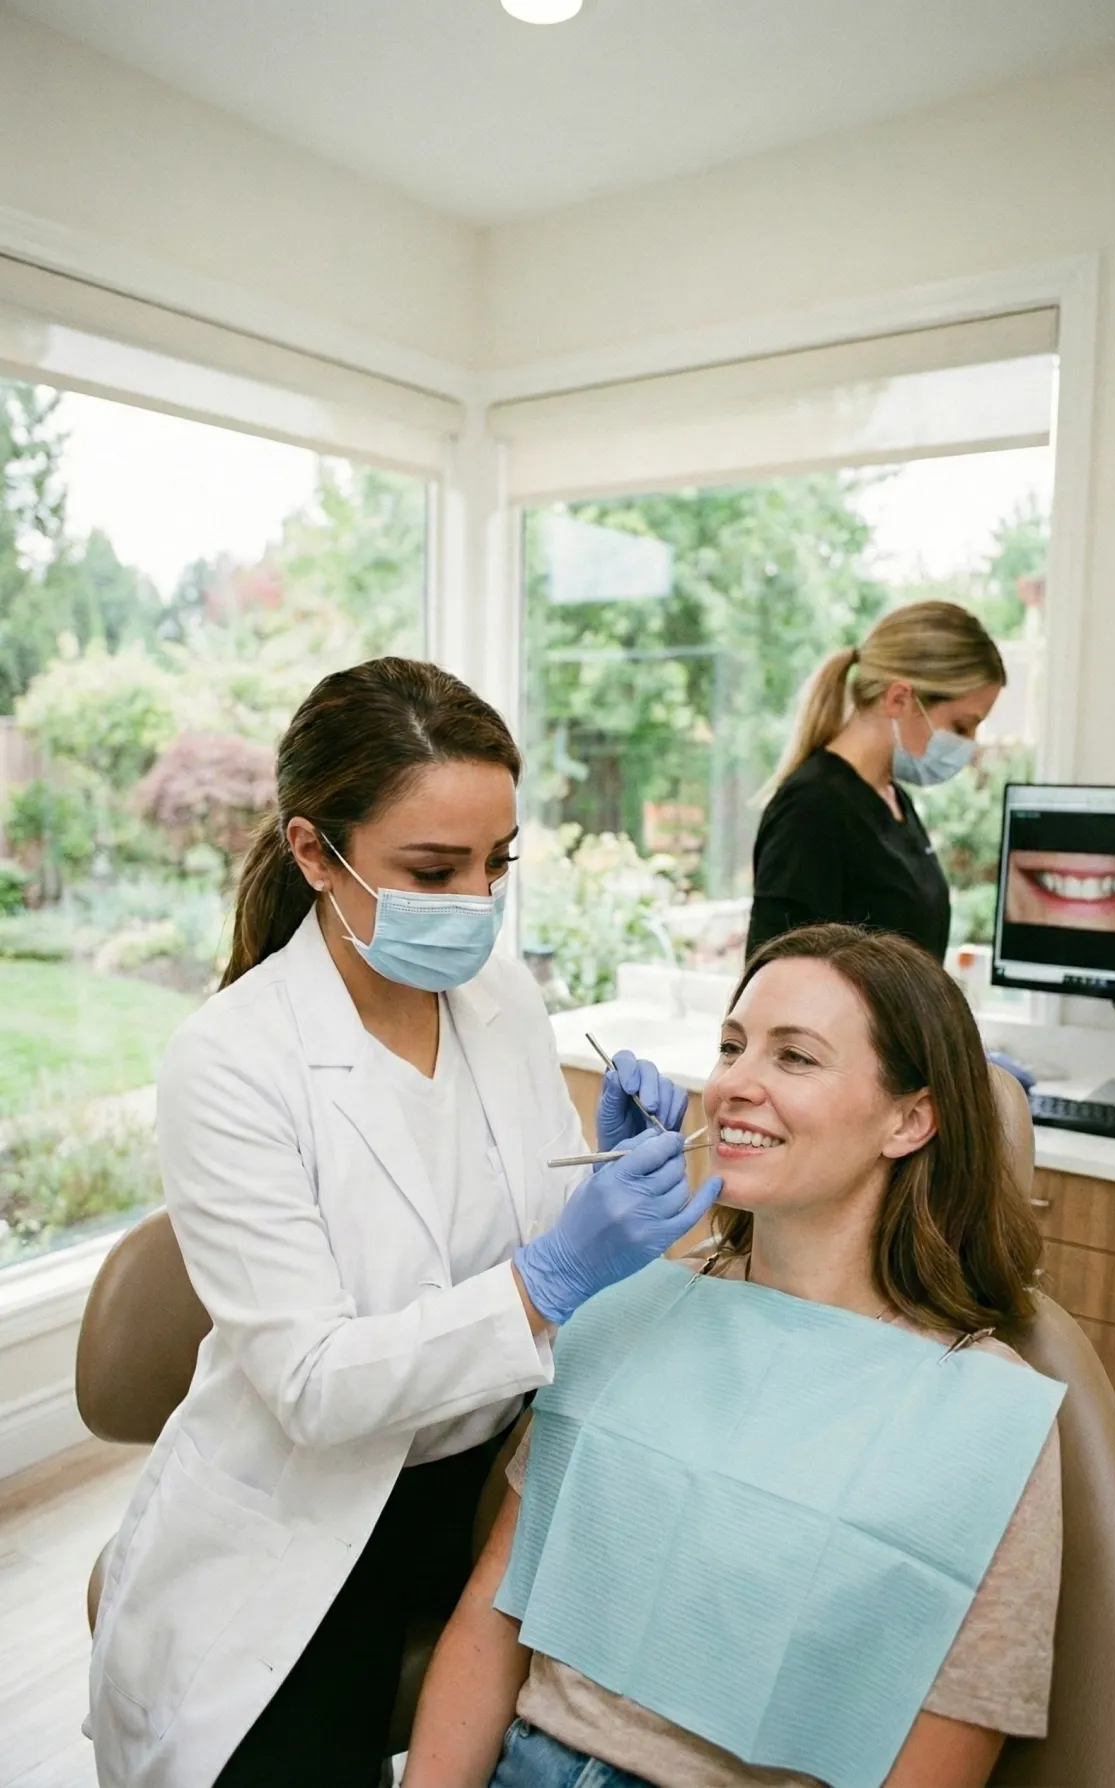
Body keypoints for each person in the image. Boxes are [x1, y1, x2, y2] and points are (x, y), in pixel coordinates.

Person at [88, 658, 719, 1788]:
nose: (476, 901)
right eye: (434, 870)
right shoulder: (231, 1061)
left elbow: (523, 1237)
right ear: (313, 852)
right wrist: (551, 1275)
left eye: (497, 863)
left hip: (486, 1476)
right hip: (307, 1511)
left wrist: (599, 1177)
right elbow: (317, 1387)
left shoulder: (499, 997)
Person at [403, 924, 1063, 1788]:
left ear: (909, 1120)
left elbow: (948, 1744)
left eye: (795, 1057)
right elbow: (492, 1618)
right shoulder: (628, 1308)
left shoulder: (983, 1416)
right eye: (730, 1047)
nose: (733, 1086)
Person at [746, 601, 1006, 964]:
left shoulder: (894, 801)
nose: (970, 746)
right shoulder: (812, 809)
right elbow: (777, 976)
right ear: (899, 699)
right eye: (961, 726)